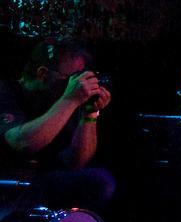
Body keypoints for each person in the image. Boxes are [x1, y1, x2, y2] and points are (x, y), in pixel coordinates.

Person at [0, 37, 114, 211]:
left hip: (42, 181)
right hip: (10, 181)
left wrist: (89, 114)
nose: (79, 85)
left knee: (101, 180)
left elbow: (76, 161)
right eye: (73, 78)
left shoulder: (66, 99)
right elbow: (22, 143)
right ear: (43, 74)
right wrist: (70, 99)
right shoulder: (6, 91)